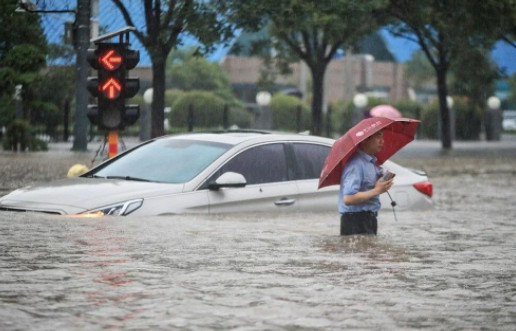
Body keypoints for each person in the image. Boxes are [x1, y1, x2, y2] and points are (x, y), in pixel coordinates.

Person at [338, 130, 393, 236]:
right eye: (378, 137)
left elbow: (370, 187)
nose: (382, 141)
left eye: (382, 137)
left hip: (369, 218)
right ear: (365, 140)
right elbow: (348, 199)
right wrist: (377, 190)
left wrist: (381, 182)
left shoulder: (371, 163)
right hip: (355, 220)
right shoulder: (356, 165)